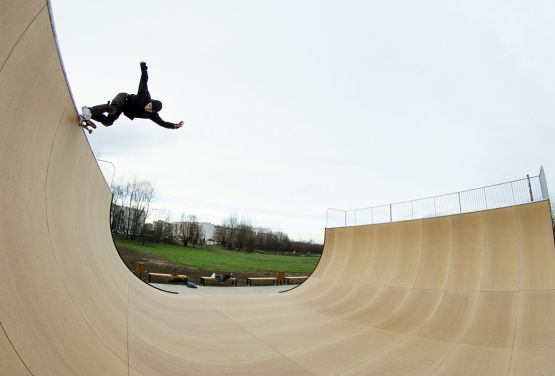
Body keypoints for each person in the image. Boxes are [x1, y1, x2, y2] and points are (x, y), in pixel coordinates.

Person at [82, 61, 184, 129]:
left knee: (108, 122)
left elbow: (162, 123)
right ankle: (89, 110)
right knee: (112, 109)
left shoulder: (152, 115)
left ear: (153, 111)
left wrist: (174, 126)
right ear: (150, 102)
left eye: (150, 109)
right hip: (123, 98)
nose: (147, 108)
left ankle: (91, 116)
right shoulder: (145, 95)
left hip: (123, 109)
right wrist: (144, 68)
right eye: (149, 105)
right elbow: (144, 80)